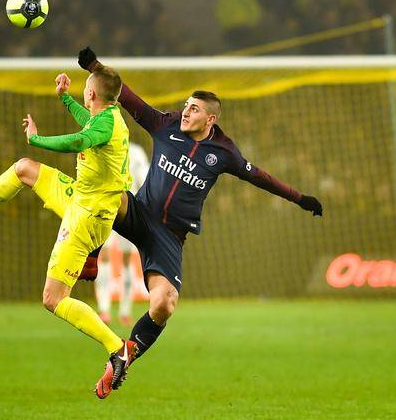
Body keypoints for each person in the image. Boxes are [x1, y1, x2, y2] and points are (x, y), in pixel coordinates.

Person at [77, 47, 323, 398]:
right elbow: (127, 97)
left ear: (210, 119)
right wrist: (95, 66)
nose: (185, 111)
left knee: (164, 304)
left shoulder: (224, 152)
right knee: (106, 193)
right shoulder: (165, 124)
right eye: (186, 105)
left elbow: (261, 177)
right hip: (140, 212)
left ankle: (123, 358)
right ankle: (91, 256)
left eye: (193, 109)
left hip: (168, 237)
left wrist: (300, 199)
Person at [0, 66, 138, 399]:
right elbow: (87, 124)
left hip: (86, 217)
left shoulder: (103, 125)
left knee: (53, 299)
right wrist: (65, 99)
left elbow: (80, 139)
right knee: (24, 169)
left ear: (91, 93)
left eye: (84, 88)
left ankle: (117, 348)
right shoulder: (108, 117)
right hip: (82, 198)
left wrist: (37, 138)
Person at [95, 142, 149, 326]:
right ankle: (108, 309)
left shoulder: (133, 151)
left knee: (119, 259)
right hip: (111, 208)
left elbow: (144, 180)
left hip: (122, 209)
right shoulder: (105, 147)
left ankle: (120, 310)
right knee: (107, 256)